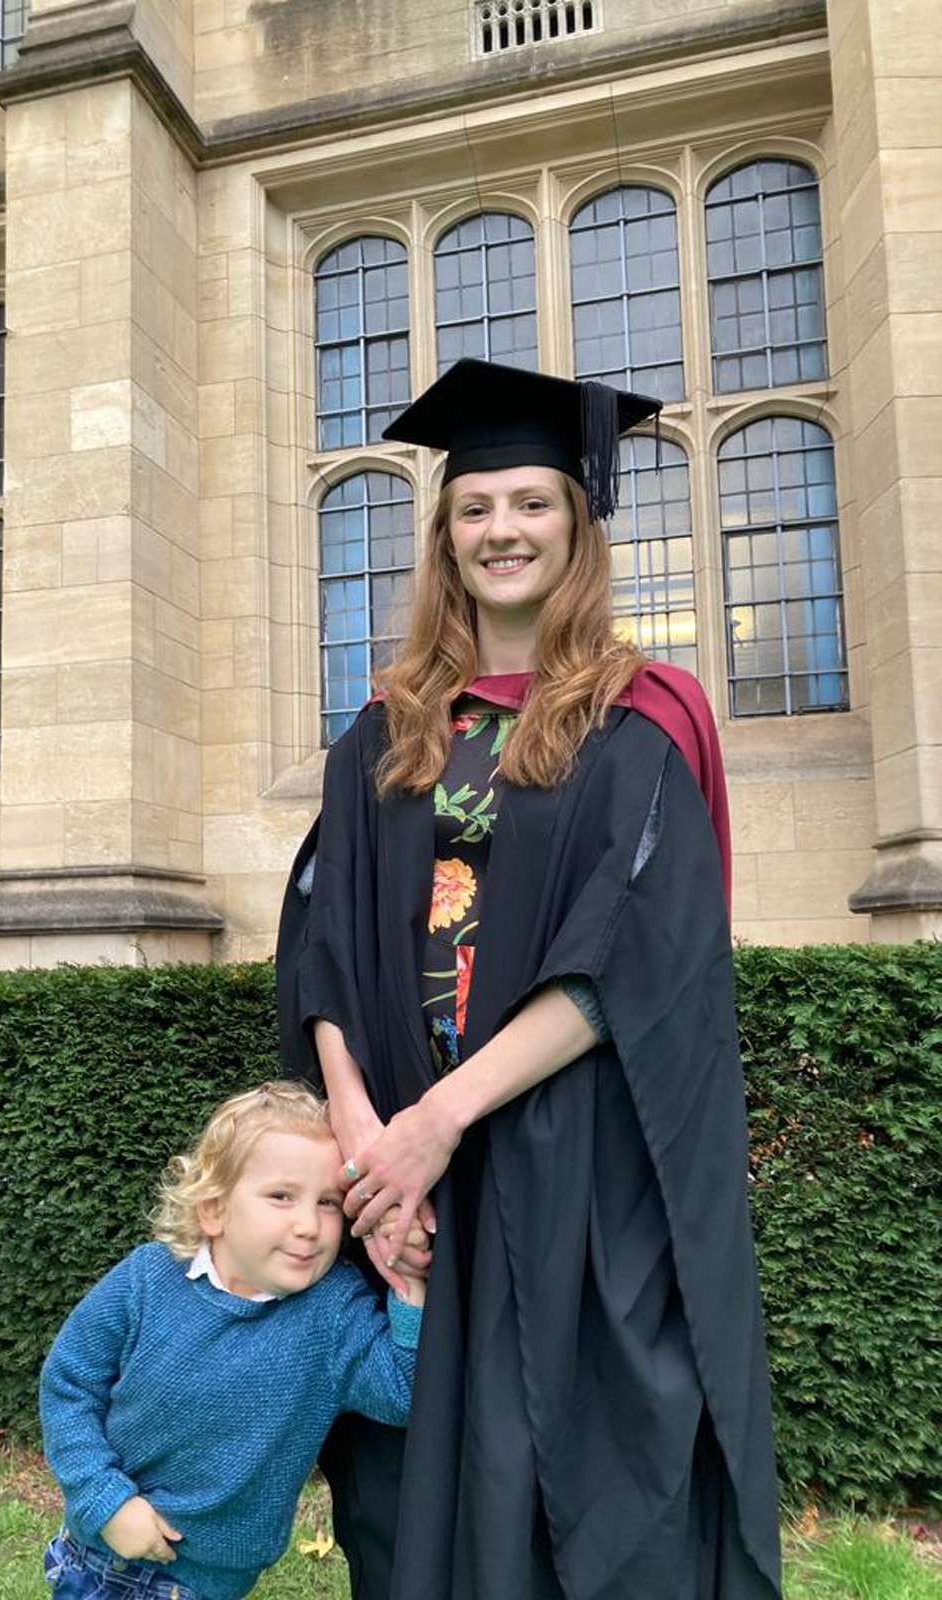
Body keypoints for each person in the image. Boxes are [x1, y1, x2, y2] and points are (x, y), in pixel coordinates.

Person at [277, 359, 783, 1600]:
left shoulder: (641, 716)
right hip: (398, 1166)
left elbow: (635, 950)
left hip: (567, 1161)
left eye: (532, 502)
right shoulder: (388, 723)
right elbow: (319, 930)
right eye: (475, 506)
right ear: (446, 537)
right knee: (407, 1478)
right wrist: (361, 1134)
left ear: (579, 522)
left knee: (576, 1464)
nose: (502, 528)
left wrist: (440, 1123)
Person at [39, 1082, 427, 1600]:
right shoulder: (149, 1280)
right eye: (281, 1196)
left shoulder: (333, 1312)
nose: (309, 1225)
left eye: (329, 1203)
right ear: (214, 1209)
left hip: (202, 1586)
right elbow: (69, 1385)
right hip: (94, 1554)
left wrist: (407, 1285)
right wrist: (106, 1502)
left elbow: (403, 1391)